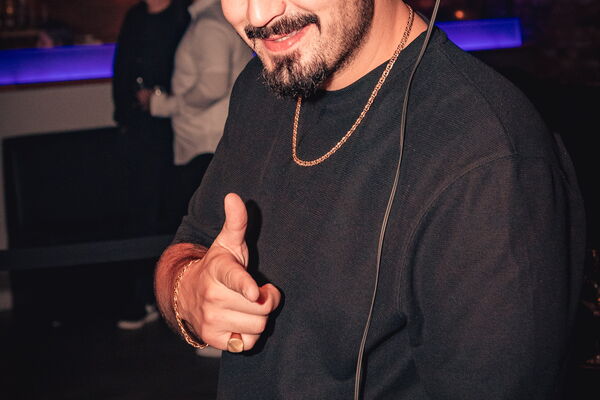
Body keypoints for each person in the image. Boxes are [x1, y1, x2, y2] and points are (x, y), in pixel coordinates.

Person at [154, 0, 586, 398]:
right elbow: (190, 245)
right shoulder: (264, 83)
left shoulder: (489, 161)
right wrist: (188, 292)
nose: (258, 15)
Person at [136, 0, 253, 230]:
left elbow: (213, 87)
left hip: (205, 146)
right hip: (211, 141)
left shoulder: (210, 24)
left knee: (202, 229)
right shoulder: (213, 17)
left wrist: (162, 105)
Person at [112, 0, 191, 329]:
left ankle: (173, 301)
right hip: (138, 131)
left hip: (174, 131)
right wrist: (126, 118)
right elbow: (122, 72)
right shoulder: (135, 16)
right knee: (138, 213)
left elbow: (192, 80)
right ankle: (143, 297)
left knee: (171, 213)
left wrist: (158, 100)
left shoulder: (184, 15)